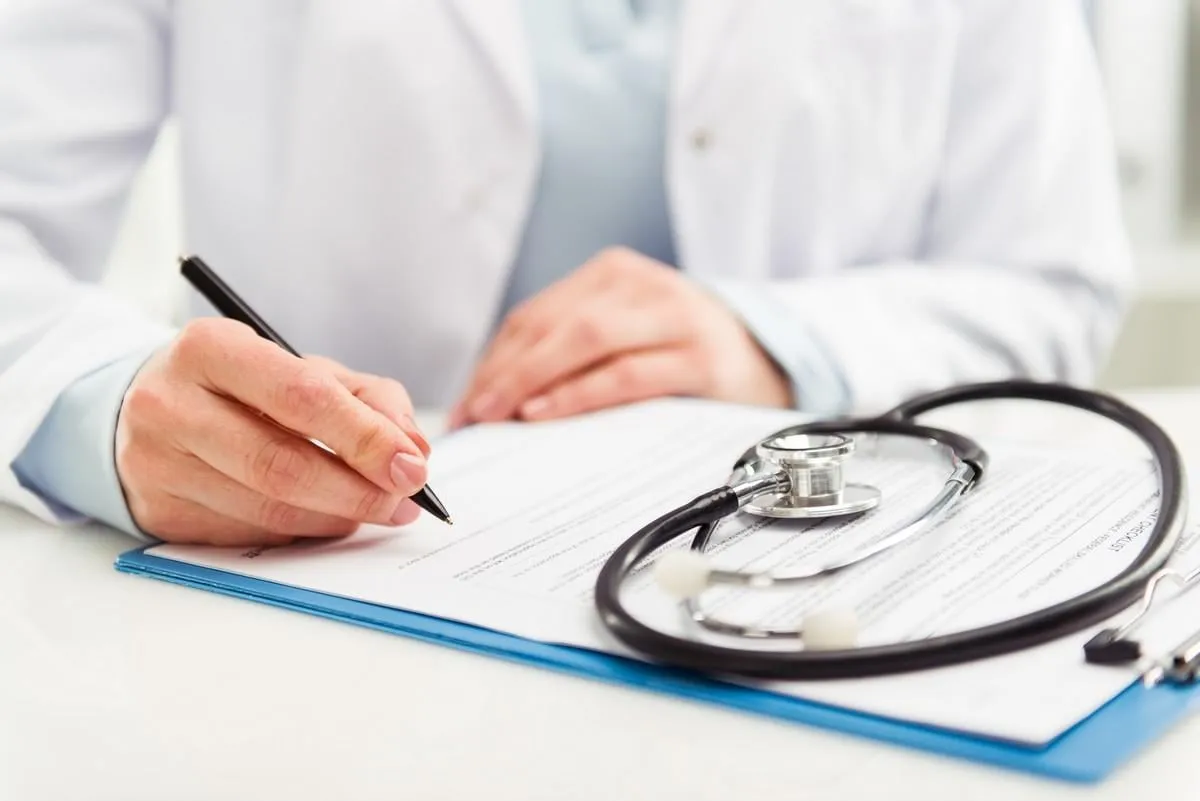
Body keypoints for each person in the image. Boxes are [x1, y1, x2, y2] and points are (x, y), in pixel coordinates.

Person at [0, 1, 1131, 547]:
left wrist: (776, 339)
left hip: (821, 589)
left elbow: (1051, 282)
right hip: (337, 586)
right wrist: (100, 407)